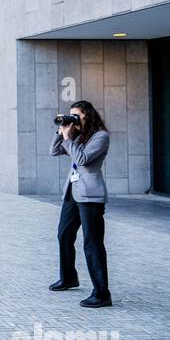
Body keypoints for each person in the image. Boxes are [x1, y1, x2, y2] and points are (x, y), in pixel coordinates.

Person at [49, 100, 113, 308]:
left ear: (88, 115)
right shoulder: (77, 135)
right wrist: (61, 132)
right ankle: (69, 277)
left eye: (76, 115)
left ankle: (102, 293)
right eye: (71, 115)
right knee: (64, 234)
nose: (73, 119)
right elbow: (54, 151)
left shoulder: (100, 136)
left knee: (92, 243)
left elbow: (82, 159)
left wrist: (69, 138)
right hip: (72, 193)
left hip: (90, 196)